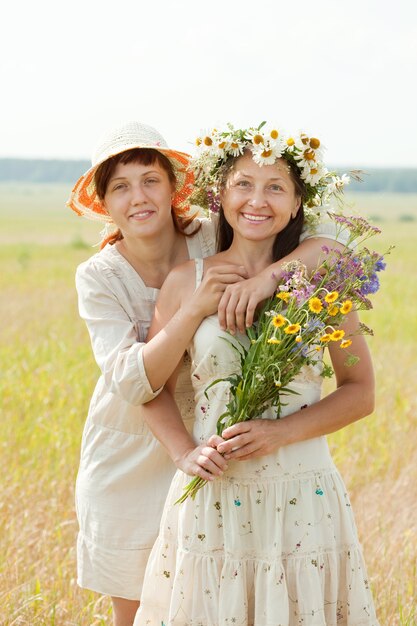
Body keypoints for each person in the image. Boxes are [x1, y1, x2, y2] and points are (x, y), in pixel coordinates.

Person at [67, 121, 349, 626]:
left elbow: (327, 249)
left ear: (175, 189)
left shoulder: (209, 238)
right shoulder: (99, 276)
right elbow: (135, 383)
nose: (139, 197)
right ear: (104, 204)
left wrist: (266, 278)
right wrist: (194, 307)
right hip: (134, 445)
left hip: (214, 439)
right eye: (121, 187)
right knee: (146, 607)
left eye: (151, 180)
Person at [134, 124, 379, 625]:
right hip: (215, 494)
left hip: (303, 497)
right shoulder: (187, 283)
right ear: (221, 195)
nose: (257, 200)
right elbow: (148, 386)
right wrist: (184, 451)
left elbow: (360, 393)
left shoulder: (324, 280)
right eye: (244, 183)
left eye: (275, 187)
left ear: (295, 204)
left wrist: (279, 432)